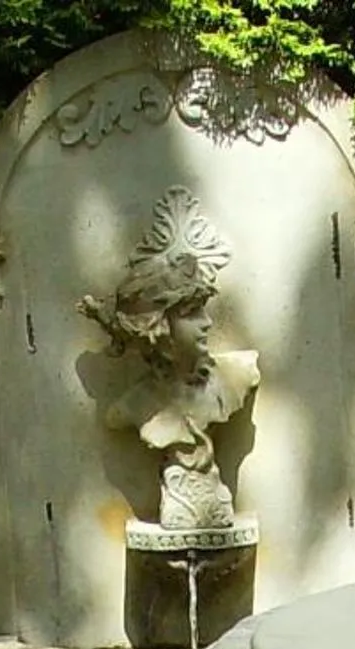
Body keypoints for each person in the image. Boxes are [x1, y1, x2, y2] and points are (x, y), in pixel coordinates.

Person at [80, 188, 261, 531]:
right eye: (192, 314)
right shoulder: (136, 406)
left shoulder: (238, 377)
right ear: (159, 328)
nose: (207, 323)